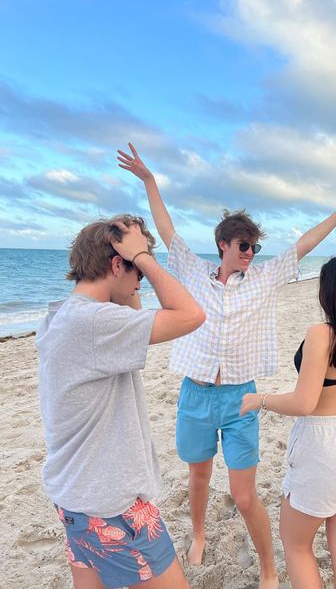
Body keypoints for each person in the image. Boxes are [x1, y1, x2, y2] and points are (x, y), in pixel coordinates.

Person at [117, 142, 336, 589]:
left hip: (242, 395)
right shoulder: (195, 274)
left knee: (244, 494)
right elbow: (166, 229)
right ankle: (198, 533)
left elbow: (305, 242)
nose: (250, 253)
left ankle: (269, 565)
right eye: (243, 245)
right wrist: (150, 181)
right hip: (195, 393)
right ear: (222, 244)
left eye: (255, 246)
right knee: (197, 475)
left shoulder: (263, 278)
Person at [36, 215, 206, 589]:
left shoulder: (61, 315)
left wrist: (132, 270)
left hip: (75, 495)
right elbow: (192, 315)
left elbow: (133, 314)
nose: (140, 285)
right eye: (137, 276)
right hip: (112, 506)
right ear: (117, 264)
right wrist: (144, 258)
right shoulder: (95, 323)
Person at [240, 254, 336, 589]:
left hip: (326, 447)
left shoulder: (322, 333)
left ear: (335, 291)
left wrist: (260, 400)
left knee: (296, 545)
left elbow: (305, 403)